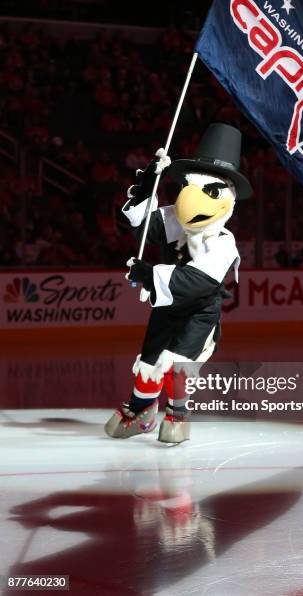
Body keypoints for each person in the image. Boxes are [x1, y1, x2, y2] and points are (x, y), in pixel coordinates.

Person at [105, 123, 252, 443]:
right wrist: (147, 187)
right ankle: (143, 408)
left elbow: (196, 281)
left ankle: (178, 413)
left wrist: (148, 274)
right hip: (167, 305)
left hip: (198, 313)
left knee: (177, 361)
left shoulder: (224, 244)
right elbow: (144, 227)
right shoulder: (175, 218)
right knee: (149, 358)